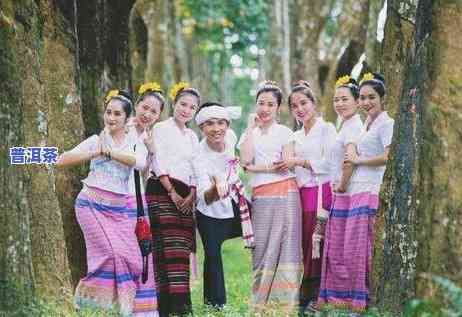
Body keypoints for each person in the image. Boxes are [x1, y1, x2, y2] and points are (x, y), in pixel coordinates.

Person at [57, 89, 147, 316]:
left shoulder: (133, 143)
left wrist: (110, 153)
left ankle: (119, 306)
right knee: (111, 253)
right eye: (108, 112)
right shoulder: (96, 140)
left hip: (119, 210)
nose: (111, 118)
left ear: (127, 118)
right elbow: (61, 160)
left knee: (132, 258)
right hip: (91, 205)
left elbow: (140, 164)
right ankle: (86, 301)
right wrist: (94, 152)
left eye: (117, 114)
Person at [319, 73, 393, 312]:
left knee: (362, 248)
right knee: (349, 247)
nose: (366, 102)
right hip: (354, 191)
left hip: (370, 189)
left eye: (371, 97)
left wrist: (360, 160)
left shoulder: (387, 123)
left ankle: (363, 300)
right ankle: (348, 299)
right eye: (363, 97)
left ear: (382, 98)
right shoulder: (366, 126)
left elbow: (388, 156)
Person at [239, 81, 303, 312]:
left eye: (270, 104)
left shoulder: (285, 132)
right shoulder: (249, 134)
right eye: (261, 103)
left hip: (286, 194)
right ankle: (260, 304)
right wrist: (248, 127)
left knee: (286, 245)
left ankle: (284, 305)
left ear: (278, 108)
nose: (264, 109)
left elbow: (284, 166)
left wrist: (256, 168)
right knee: (262, 248)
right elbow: (245, 160)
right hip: (261, 195)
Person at [145, 82, 200, 317]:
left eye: (192, 107)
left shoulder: (192, 136)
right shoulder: (161, 128)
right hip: (162, 191)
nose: (186, 110)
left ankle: (182, 308)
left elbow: (198, 167)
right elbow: (158, 161)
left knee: (181, 251)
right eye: (183, 104)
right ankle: (164, 308)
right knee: (164, 250)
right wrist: (172, 191)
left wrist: (192, 194)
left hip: (187, 197)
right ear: (174, 104)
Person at [192, 102, 253, 309]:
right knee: (212, 255)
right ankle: (215, 304)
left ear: (227, 125)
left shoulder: (231, 137)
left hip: (236, 202)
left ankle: (267, 285)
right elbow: (204, 197)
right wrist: (216, 189)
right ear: (202, 127)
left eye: (220, 123)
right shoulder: (198, 156)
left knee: (265, 222)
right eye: (209, 124)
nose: (216, 128)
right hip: (210, 212)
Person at [287, 81, 336, 309]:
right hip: (299, 194)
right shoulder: (294, 136)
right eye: (294, 105)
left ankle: (318, 295)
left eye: (304, 103)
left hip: (320, 192)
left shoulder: (327, 129)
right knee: (303, 243)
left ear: (314, 103)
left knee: (317, 241)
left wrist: (300, 161)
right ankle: (303, 294)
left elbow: (329, 163)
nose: (300, 109)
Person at [127, 82, 166, 317]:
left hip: (137, 197)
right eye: (145, 107)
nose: (147, 114)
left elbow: (145, 172)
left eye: (154, 111)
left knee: (143, 249)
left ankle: (144, 310)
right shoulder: (123, 126)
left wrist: (151, 151)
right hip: (118, 197)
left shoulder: (147, 136)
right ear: (137, 104)